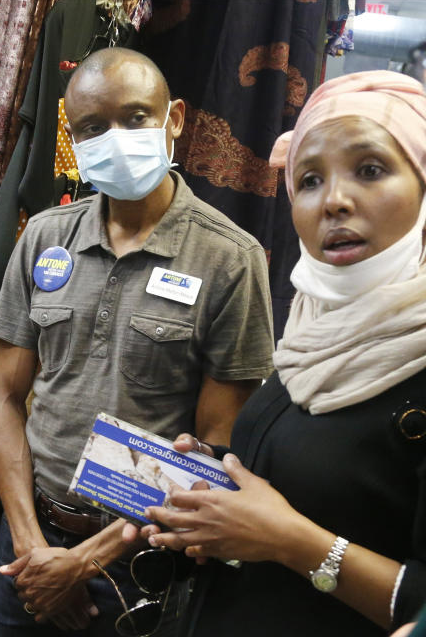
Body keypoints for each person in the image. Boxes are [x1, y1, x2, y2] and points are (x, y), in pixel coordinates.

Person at [0, 47, 275, 636]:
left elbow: (214, 454)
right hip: (27, 547)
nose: (115, 138)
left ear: (174, 119)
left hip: (139, 567)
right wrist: (34, 548)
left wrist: (85, 562)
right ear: (74, 137)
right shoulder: (45, 237)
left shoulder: (230, 259)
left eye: (137, 116)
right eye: (93, 127)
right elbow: (3, 398)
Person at [133, 70, 426, 636]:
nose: (334, 201)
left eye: (370, 170)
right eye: (309, 180)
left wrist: (292, 542)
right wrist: (213, 489)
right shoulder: (311, 328)